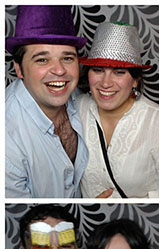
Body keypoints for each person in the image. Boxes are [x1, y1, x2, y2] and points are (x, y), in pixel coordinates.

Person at [77, 21, 159, 198]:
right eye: (98, 70)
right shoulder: (76, 108)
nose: (106, 83)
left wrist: (132, 204)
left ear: (135, 80)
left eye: (119, 72)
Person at [5, 5, 112, 199]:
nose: (60, 70)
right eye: (42, 60)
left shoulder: (78, 99)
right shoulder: (7, 140)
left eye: (68, 58)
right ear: (19, 69)